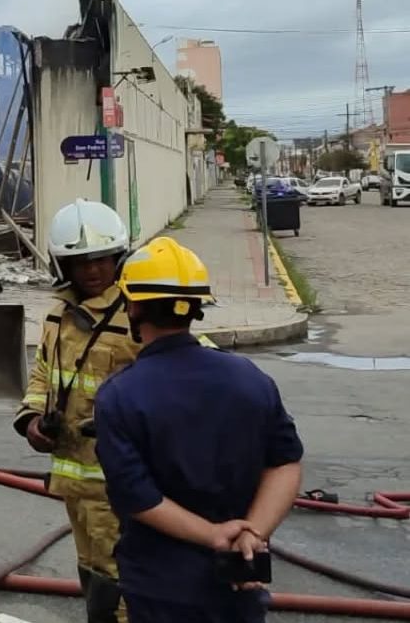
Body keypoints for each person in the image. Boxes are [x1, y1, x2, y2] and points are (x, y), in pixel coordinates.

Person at [94, 236, 305, 622]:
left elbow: (136, 495)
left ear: (134, 305)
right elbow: (285, 463)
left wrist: (214, 535)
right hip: (240, 577)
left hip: (161, 587)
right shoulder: (251, 379)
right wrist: (251, 535)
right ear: (195, 307)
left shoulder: (119, 396)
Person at [11, 199, 139, 623]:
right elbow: (44, 375)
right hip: (73, 480)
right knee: (94, 576)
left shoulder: (136, 316)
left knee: (121, 583)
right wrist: (31, 420)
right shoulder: (58, 314)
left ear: (118, 258)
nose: (92, 271)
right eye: (79, 261)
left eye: (101, 259)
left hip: (118, 482)